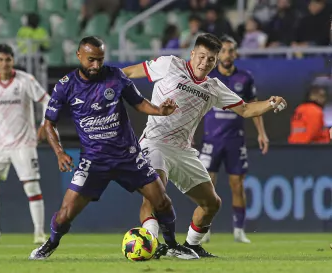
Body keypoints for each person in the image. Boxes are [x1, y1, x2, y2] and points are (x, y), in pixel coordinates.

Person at [29, 36, 199, 260]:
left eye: (100, 60)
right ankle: (49, 245)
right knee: (65, 213)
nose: (96, 65)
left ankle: (172, 245)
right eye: (91, 60)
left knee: (162, 201)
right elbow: (49, 123)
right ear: (79, 55)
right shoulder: (66, 85)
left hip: (128, 156)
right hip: (94, 161)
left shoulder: (116, 77)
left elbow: (139, 103)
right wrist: (59, 152)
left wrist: (160, 111)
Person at [122, 33, 287, 257]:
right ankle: (151, 242)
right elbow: (129, 72)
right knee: (155, 195)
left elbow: (246, 109)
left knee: (212, 203)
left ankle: (190, 246)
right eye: (201, 56)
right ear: (192, 54)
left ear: (215, 61)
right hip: (155, 142)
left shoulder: (214, 87)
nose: (204, 62)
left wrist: (270, 102)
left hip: (183, 150)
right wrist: (104, 87)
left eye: (210, 59)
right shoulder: (169, 64)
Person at [0, 44, 51, 245]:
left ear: (13, 61)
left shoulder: (26, 80)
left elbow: (47, 101)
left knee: (32, 187)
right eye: (0, 60)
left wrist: (44, 124)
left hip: (24, 143)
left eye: (8, 60)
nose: (4, 64)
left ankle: (39, 233)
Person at [199, 36, 269, 244]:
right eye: (224, 51)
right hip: (211, 139)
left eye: (231, 51)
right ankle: (204, 229)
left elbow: (254, 107)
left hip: (235, 140)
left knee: (237, 184)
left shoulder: (245, 78)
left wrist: (261, 133)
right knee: (207, 186)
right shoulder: (208, 77)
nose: (227, 55)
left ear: (236, 53)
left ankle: (239, 230)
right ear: (218, 54)